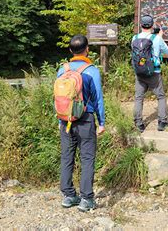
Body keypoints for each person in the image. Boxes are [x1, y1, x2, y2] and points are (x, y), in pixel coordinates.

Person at [57, 35, 105, 211]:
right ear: (87, 50)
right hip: (85, 120)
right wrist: (101, 122)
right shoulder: (91, 70)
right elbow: (98, 98)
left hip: (65, 120)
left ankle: (68, 196)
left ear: (70, 51)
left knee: (67, 156)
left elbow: (58, 97)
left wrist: (60, 119)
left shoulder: (62, 70)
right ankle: (86, 199)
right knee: (87, 158)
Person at [132, 14, 168, 132]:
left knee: (139, 97)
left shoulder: (134, 38)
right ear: (152, 25)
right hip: (154, 71)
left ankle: (139, 123)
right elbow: (166, 51)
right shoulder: (157, 38)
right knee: (161, 96)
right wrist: (160, 36)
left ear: (141, 25)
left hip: (139, 72)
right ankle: (162, 122)